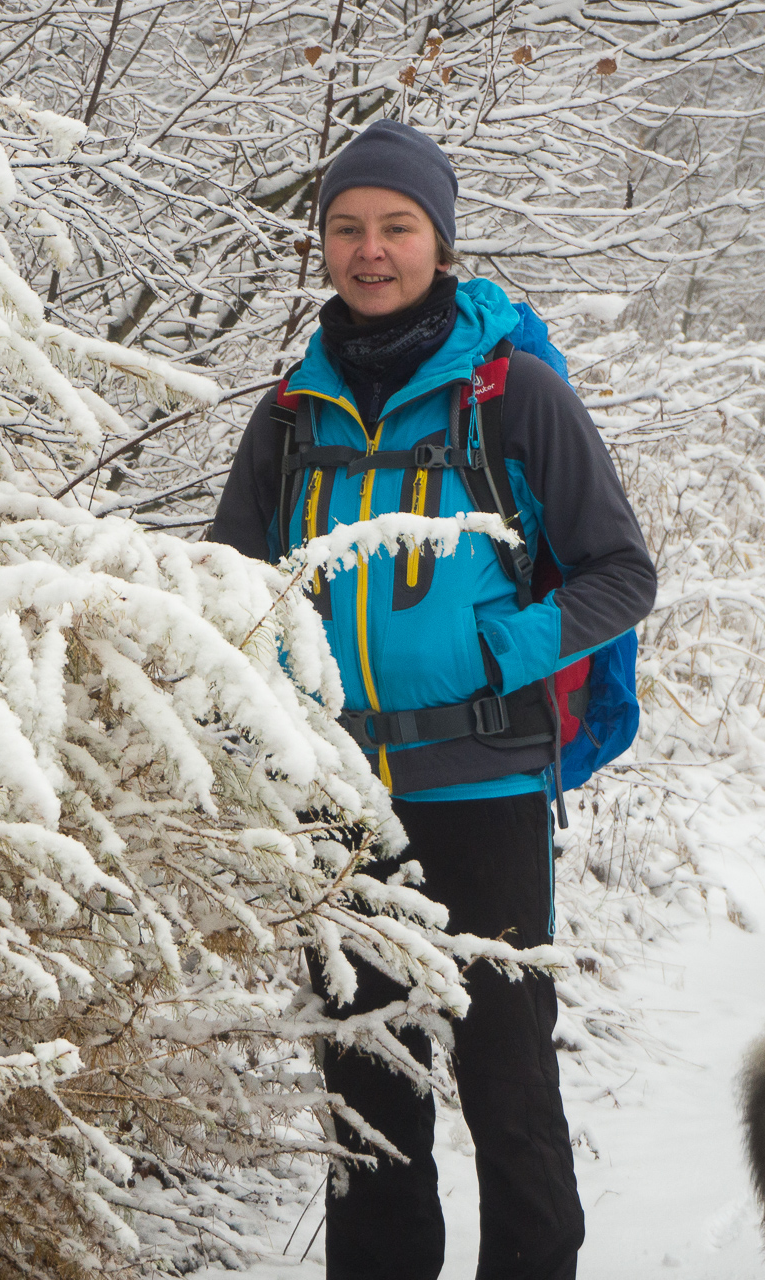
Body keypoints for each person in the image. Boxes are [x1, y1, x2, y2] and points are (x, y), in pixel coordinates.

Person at [209, 120, 657, 1280]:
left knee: (510, 1091)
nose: (370, 250)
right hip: (340, 803)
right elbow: (226, 589)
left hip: (488, 789)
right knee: (370, 1104)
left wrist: (506, 646)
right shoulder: (290, 413)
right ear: (322, 244)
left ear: (438, 240)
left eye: (396, 227)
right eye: (348, 228)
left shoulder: (514, 397)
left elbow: (622, 571)